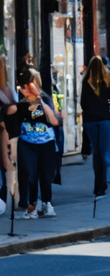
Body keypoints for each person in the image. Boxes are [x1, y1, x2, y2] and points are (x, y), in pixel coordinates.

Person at [14, 70, 60, 219]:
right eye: (27, 84)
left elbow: (54, 121)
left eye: (32, 83)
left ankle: (47, 203)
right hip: (27, 143)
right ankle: (32, 205)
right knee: (30, 174)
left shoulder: (45, 99)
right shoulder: (20, 102)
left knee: (46, 175)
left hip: (46, 142)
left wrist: (40, 100)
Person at [81, 57, 110, 196]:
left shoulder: (86, 82)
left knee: (96, 153)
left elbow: (82, 103)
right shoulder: (106, 82)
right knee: (105, 151)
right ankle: (105, 180)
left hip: (90, 121)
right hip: (104, 120)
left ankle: (98, 185)